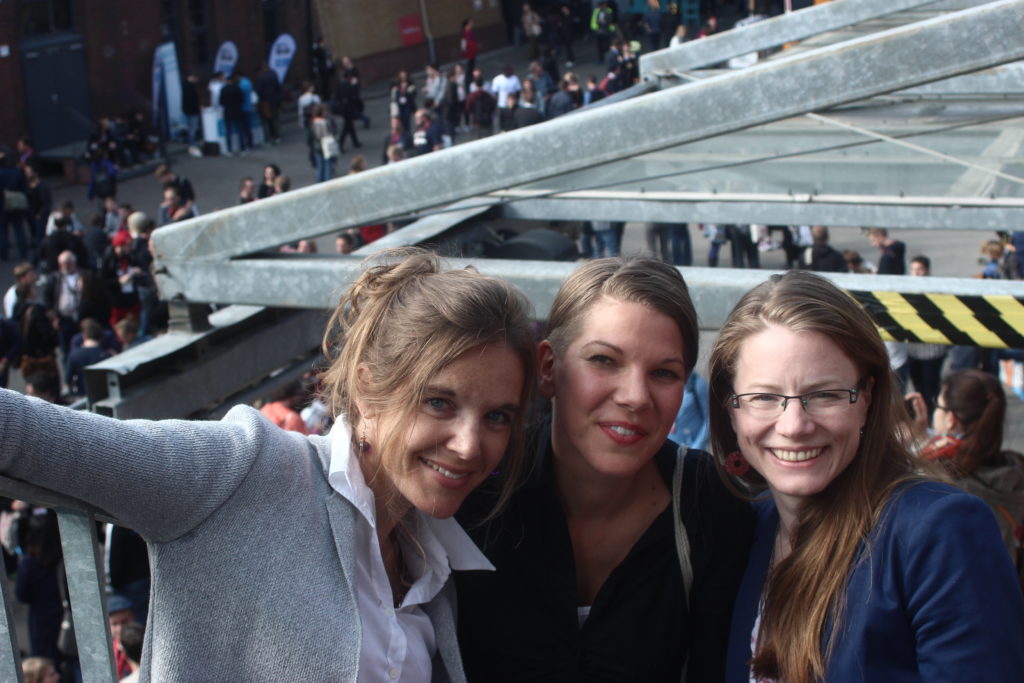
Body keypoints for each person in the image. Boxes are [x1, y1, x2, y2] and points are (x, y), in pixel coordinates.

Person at [0, 248, 537, 681]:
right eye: (439, 402)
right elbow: (29, 435)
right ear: (370, 391)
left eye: (497, 416)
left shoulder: (439, 557)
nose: (470, 445)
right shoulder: (248, 471)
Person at [709, 270, 1024, 682]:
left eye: (824, 394)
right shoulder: (747, 528)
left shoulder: (940, 532)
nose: (793, 425)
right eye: (764, 397)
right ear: (731, 408)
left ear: (868, 399)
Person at [456, 257, 753, 681]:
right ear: (548, 367)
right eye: (604, 360)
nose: (635, 396)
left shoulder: (713, 507)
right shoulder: (478, 487)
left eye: (664, 373)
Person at [913, 369, 1024, 567]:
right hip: (1002, 584)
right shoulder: (1013, 472)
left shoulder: (935, 480)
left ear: (951, 419)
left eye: (938, 406)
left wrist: (913, 442)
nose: (934, 411)